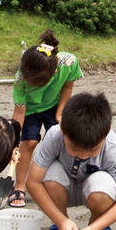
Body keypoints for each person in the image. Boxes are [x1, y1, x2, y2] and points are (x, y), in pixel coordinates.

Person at [27, 91, 116, 230]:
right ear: (63, 131)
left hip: (94, 192)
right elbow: (33, 182)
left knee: (102, 183)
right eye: (74, 149)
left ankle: (99, 226)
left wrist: (91, 229)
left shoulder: (112, 146)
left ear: (105, 135)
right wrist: (61, 221)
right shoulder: (54, 135)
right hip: (61, 188)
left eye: (92, 150)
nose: (82, 155)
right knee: (50, 173)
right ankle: (58, 226)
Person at [10, 30, 83, 207]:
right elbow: (19, 113)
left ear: (54, 72)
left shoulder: (68, 63)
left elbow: (67, 87)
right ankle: (19, 186)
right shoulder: (21, 79)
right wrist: (13, 142)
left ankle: (60, 183)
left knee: (60, 139)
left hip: (54, 104)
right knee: (28, 143)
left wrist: (60, 113)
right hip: (30, 110)